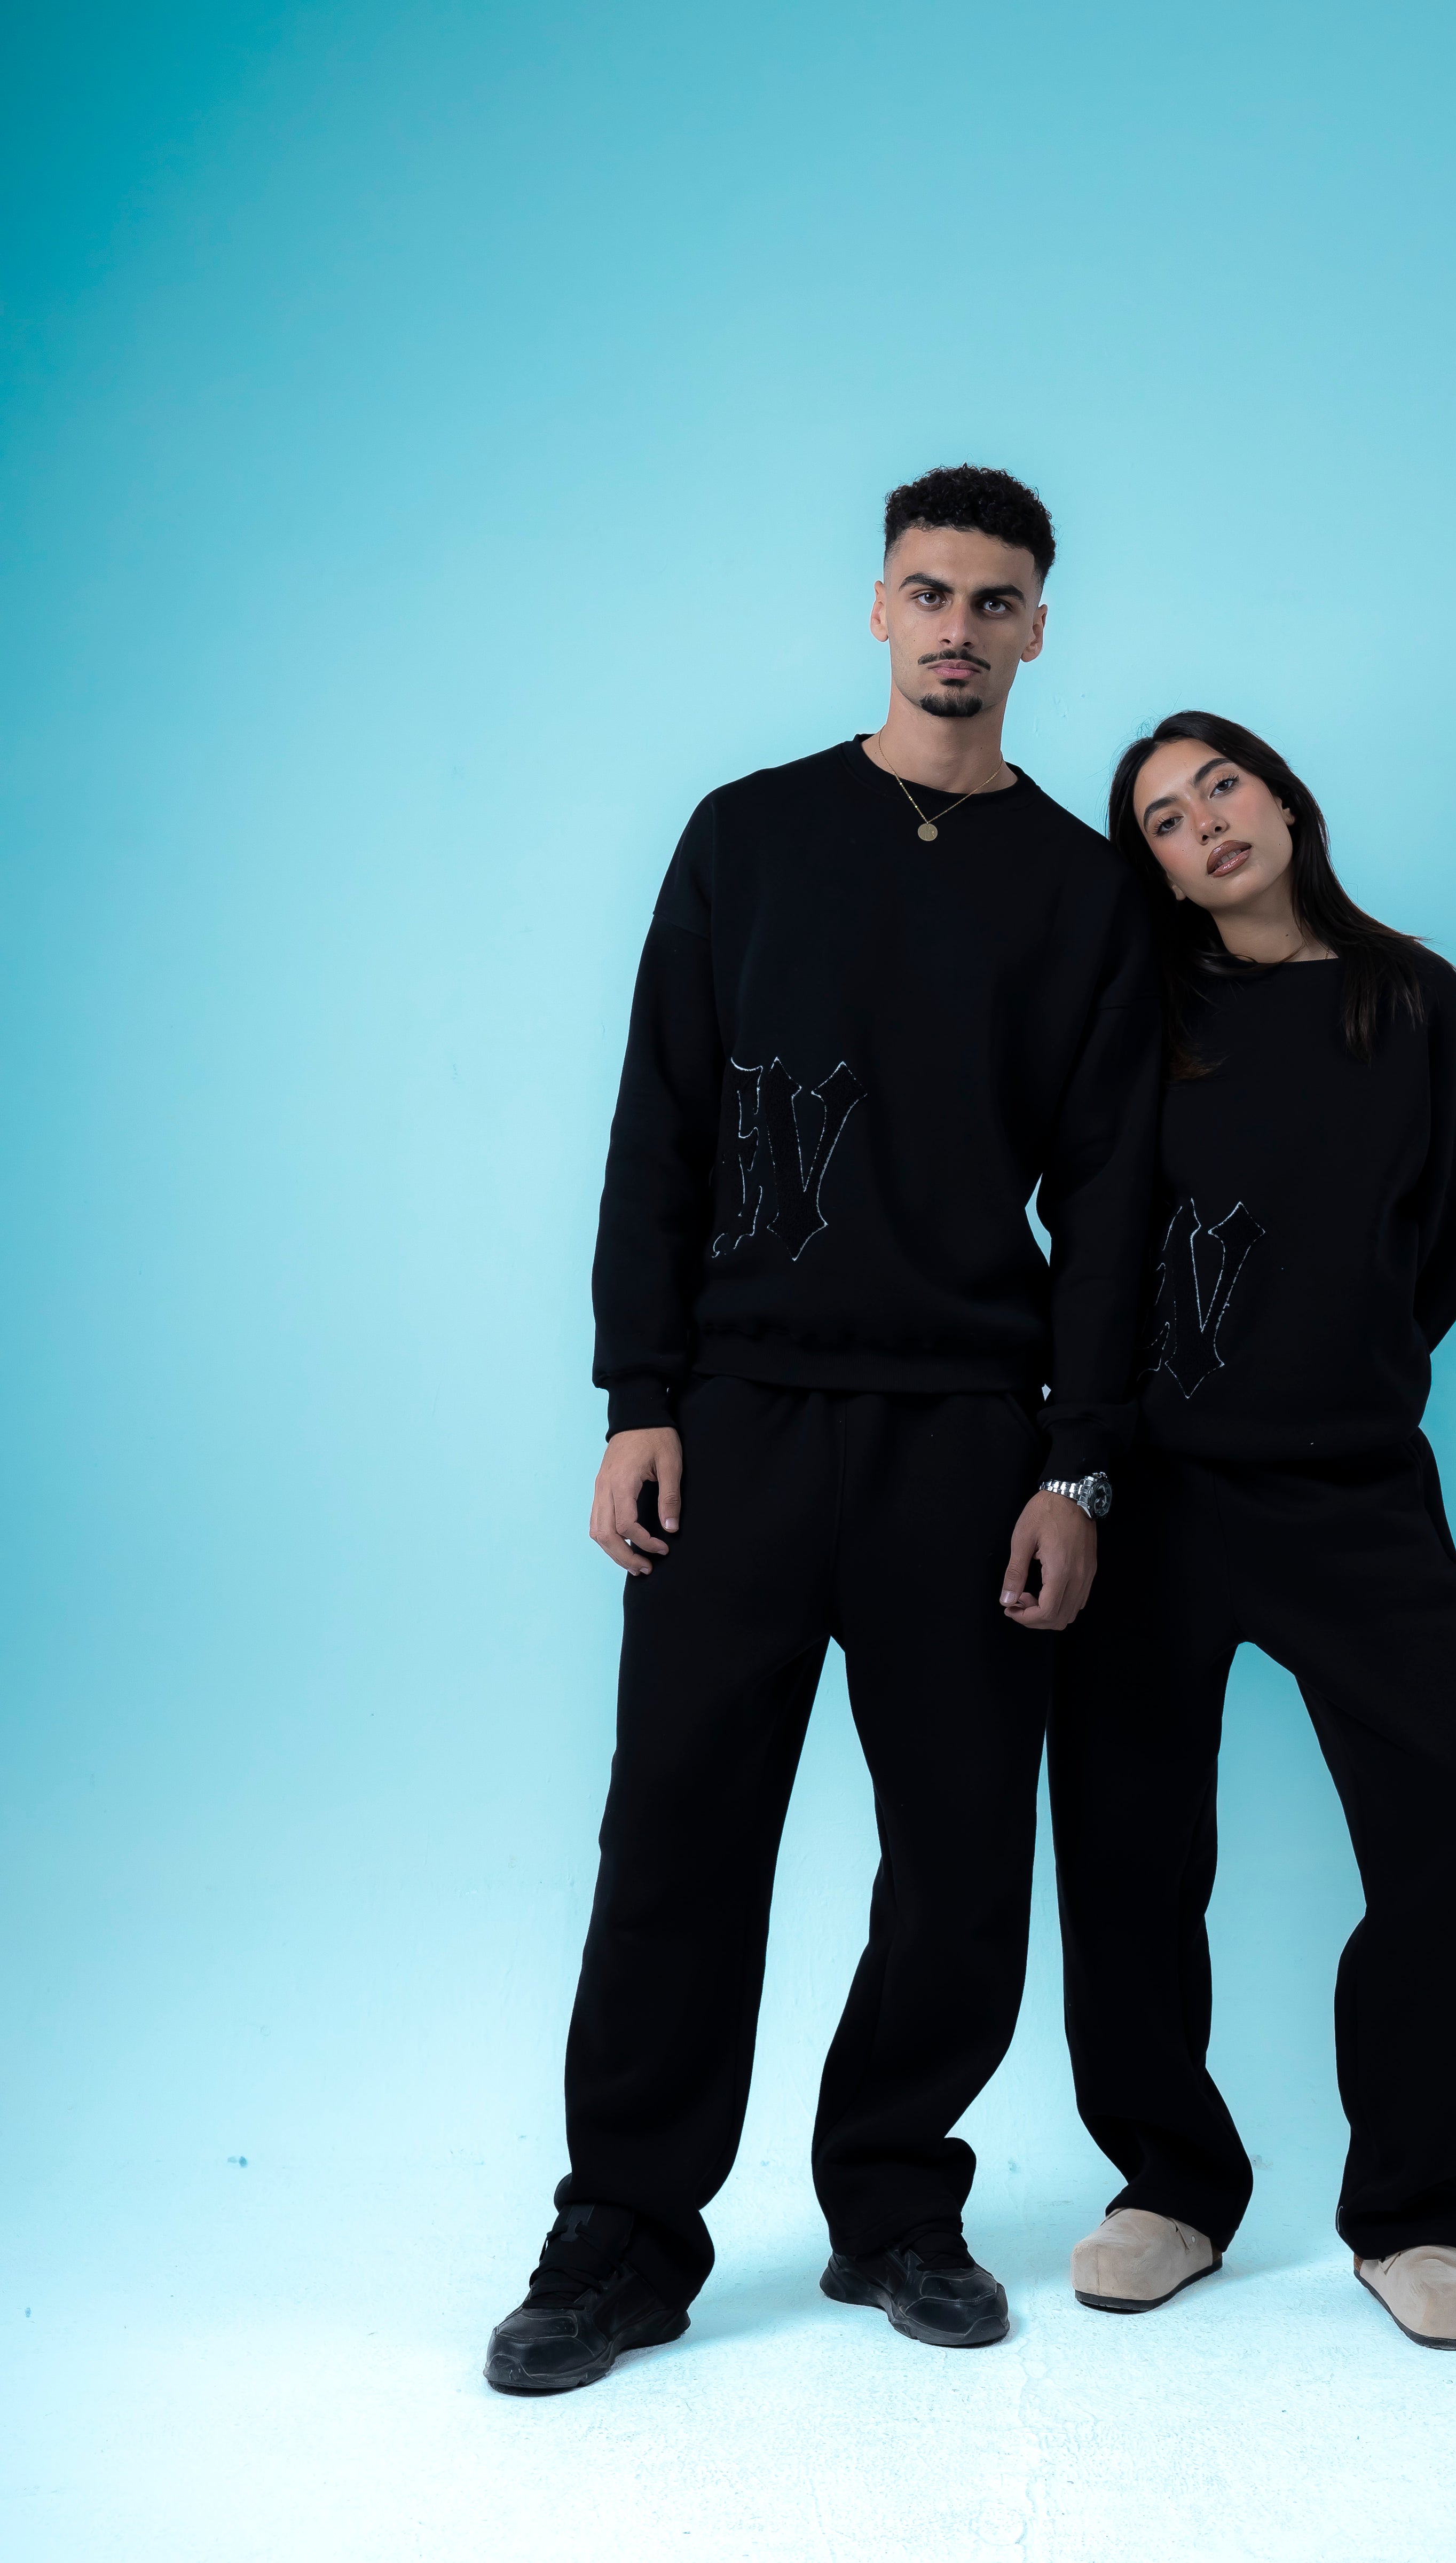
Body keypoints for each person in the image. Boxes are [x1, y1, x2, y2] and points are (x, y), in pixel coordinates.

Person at [485, 467, 1159, 2393]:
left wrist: (1075, 1465)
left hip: (969, 1434)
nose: (959, 628)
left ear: (1040, 632)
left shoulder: (1086, 891)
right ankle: (623, 2236)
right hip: (745, 1416)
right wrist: (639, 1398)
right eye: (929, 592)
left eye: (997, 600)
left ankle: (893, 2207)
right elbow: (661, 1127)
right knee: (677, 1837)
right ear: (878, 608)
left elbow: (1111, 1200)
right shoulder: (750, 834)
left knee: (960, 1853)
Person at [1049, 712, 1456, 2350]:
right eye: (1167, 822)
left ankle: (1413, 2215)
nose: (1208, 825)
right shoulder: (1149, 1016)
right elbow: (1096, 1235)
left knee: (1446, 1843)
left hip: (1354, 1494)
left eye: (1222, 786)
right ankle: (1170, 2187)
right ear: (1160, 875)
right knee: (1127, 1853)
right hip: (1159, 1496)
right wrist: (1088, 1459)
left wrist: (1350, 1361)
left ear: (1285, 797)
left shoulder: (1415, 999)